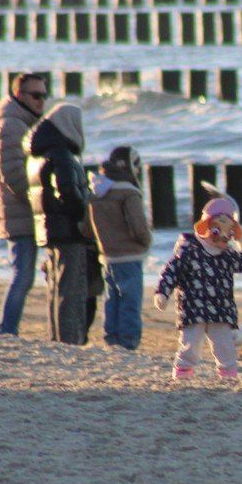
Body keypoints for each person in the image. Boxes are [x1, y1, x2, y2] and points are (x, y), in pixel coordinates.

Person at [154, 195, 242, 380]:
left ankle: (228, 373)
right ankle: (183, 373)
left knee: (225, 346)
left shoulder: (228, 255)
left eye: (229, 233)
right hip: (193, 309)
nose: (224, 238)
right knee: (190, 344)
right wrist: (162, 293)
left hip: (220, 310)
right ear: (206, 228)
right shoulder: (189, 251)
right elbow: (171, 271)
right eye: (217, 231)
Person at [0, 71, 48, 335]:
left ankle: (8, 328)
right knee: (22, 276)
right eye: (35, 95)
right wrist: (39, 202)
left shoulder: (21, 123)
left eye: (44, 95)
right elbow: (13, 174)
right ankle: (6, 330)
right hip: (19, 213)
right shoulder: (10, 126)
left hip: (22, 213)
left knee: (24, 275)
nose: (40, 101)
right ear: (18, 95)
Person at [27, 102, 92, 345]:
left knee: (56, 287)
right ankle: (69, 340)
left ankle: (57, 338)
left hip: (49, 229)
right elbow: (67, 191)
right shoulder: (62, 156)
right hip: (67, 230)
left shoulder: (39, 154)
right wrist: (81, 215)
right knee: (70, 289)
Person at [89, 145, 152, 351]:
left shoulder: (97, 190)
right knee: (130, 300)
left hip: (107, 255)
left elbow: (85, 226)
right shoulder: (129, 191)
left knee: (111, 299)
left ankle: (111, 338)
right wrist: (146, 241)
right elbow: (138, 225)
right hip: (129, 255)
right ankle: (128, 341)